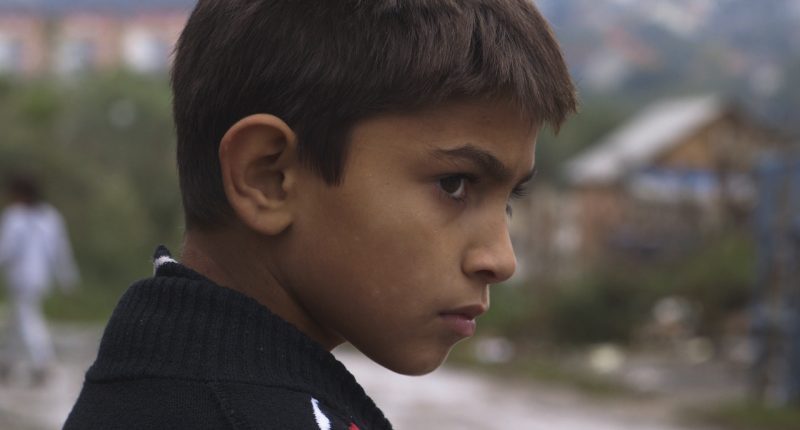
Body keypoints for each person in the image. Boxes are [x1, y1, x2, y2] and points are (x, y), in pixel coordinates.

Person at [65, 0, 577, 428]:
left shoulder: (157, 387)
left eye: (509, 200)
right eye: (454, 184)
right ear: (268, 177)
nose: (501, 259)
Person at [0, 174, 79, 385]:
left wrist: (67, 277)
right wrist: (67, 277)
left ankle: (43, 361)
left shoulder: (15, 217)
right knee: (17, 319)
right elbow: (60, 251)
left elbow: (5, 249)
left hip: (21, 277)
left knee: (28, 318)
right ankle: (6, 362)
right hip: (41, 277)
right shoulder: (50, 217)